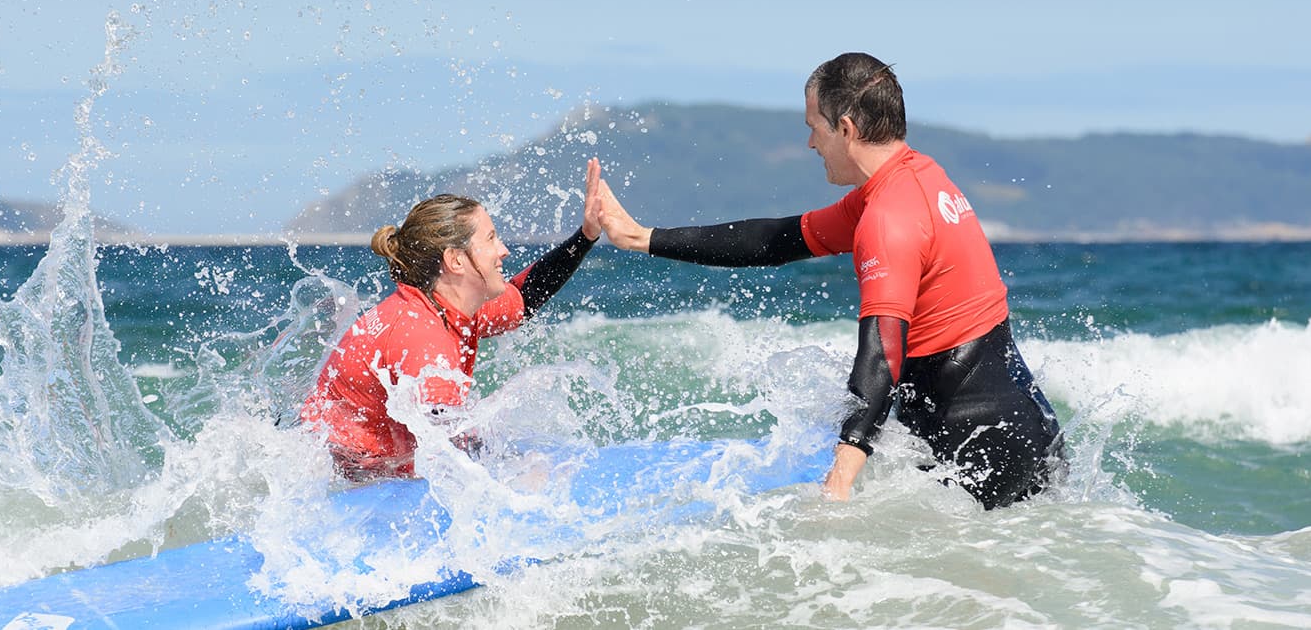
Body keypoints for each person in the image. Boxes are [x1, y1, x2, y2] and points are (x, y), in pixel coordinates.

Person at [594, 53, 1064, 509]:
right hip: (1027, 431)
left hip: (981, 456)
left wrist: (838, 484)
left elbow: (882, 353)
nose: (810, 144)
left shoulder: (888, 219)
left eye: (813, 128)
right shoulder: (914, 178)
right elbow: (775, 240)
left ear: (846, 129)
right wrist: (642, 237)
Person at [301, 159, 604, 480]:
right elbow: (449, 438)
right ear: (456, 260)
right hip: (334, 479)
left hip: (362, 471)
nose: (503, 251)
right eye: (490, 239)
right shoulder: (422, 335)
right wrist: (521, 471)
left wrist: (585, 236)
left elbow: (524, 297)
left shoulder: (448, 306)